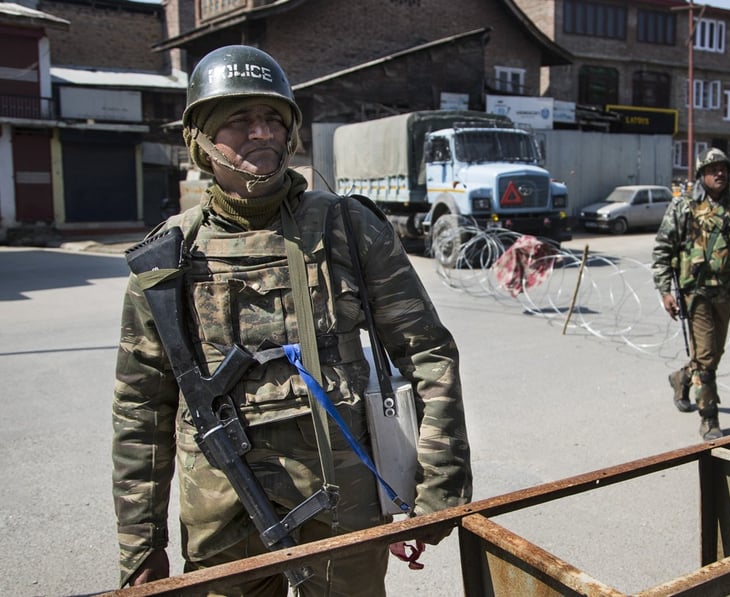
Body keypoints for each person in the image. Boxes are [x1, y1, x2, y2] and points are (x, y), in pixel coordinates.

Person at [111, 45, 472, 595]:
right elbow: (142, 404)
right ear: (201, 141)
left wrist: (437, 488)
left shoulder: (349, 227)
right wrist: (141, 543)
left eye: (274, 119)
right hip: (220, 509)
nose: (262, 133)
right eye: (238, 120)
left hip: (342, 499)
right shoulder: (170, 255)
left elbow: (427, 352)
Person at [652, 148, 730, 441]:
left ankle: (682, 377)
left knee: (711, 355)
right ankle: (709, 419)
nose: (719, 173)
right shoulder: (684, 206)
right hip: (695, 293)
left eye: (723, 168)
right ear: (701, 175)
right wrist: (665, 291)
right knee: (707, 357)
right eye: (713, 169)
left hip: (726, 293)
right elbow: (662, 249)